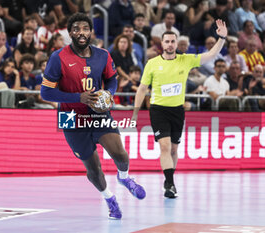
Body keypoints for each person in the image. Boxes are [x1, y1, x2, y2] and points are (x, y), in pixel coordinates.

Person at [40, 13, 146, 220]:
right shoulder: (58, 58)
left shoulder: (103, 55)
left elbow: (112, 80)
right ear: (70, 32)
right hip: (70, 117)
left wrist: (109, 94)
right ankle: (109, 199)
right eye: (77, 29)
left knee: (120, 155)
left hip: (98, 112)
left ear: (91, 32)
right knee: (94, 169)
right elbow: (45, 93)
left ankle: (124, 177)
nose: (81, 32)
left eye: (85, 28)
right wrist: (77, 97)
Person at [132, 19, 228, 198]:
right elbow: (142, 89)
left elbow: (211, 55)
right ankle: (169, 184)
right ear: (162, 44)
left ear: (176, 43)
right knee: (165, 146)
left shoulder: (186, 60)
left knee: (174, 149)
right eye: (166, 41)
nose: (170, 44)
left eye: (172, 41)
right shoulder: (152, 63)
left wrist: (221, 37)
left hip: (177, 110)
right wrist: (135, 113)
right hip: (158, 109)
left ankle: (170, 179)